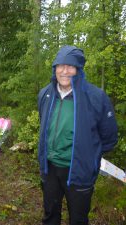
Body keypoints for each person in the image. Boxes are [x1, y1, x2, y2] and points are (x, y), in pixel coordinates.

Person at [38, 45, 118, 225]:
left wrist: (90, 156)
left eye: (70, 66)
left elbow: (109, 138)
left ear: (79, 69)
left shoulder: (96, 97)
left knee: (78, 219)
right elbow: (43, 123)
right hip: (49, 168)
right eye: (60, 65)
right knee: (50, 215)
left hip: (79, 171)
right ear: (54, 68)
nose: (64, 71)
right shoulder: (46, 94)